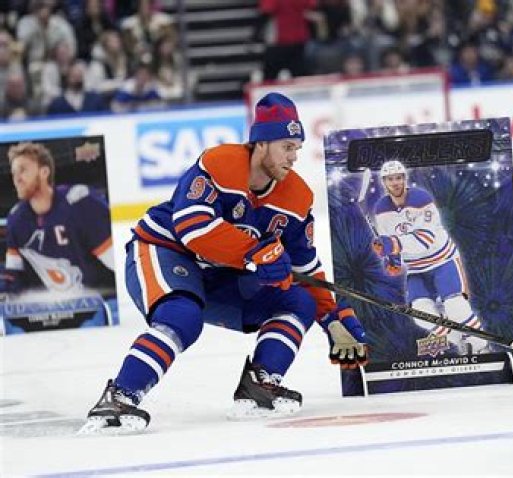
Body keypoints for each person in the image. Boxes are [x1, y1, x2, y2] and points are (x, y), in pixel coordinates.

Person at [79, 92, 368, 435]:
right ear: (261, 143)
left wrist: (332, 319)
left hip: (219, 275)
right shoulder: (220, 163)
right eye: (287, 146)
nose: (294, 156)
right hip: (163, 250)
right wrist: (255, 251)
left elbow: (304, 269)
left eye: (297, 148)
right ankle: (119, 397)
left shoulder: (297, 197)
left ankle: (261, 383)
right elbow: (192, 227)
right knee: (182, 316)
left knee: (298, 301)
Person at [371, 160, 487, 355]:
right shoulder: (382, 209)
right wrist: (393, 260)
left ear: (404, 178)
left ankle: (480, 345)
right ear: (384, 182)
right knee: (420, 314)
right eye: (390, 179)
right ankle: (458, 341)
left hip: (443, 260)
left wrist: (392, 244)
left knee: (455, 307)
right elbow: (388, 240)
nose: (395, 182)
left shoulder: (420, 199)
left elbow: (425, 239)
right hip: (416, 269)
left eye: (398, 178)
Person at [1, 142, 115, 295]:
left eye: (23, 170)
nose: (17, 179)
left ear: (44, 172)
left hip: (103, 299)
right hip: (55, 304)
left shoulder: (80, 203)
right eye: (14, 173)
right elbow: (13, 276)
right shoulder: (16, 219)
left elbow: (118, 261)